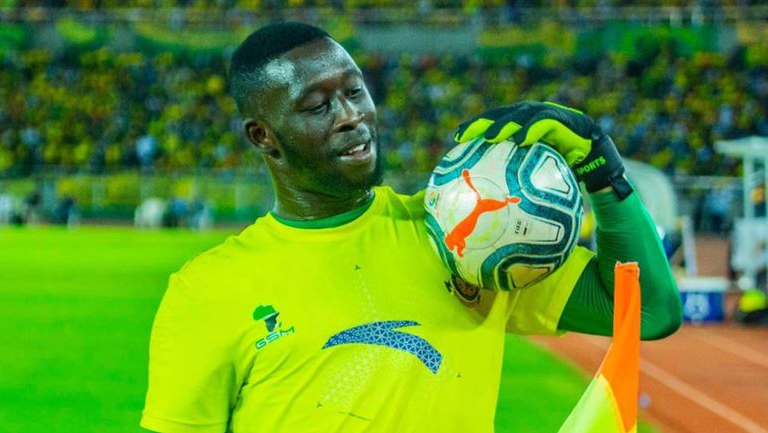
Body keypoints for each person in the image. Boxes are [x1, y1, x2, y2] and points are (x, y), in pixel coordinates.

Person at [141, 22, 682, 433]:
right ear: (263, 137)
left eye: (354, 91)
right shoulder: (208, 290)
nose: (350, 115)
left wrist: (602, 171)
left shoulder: (462, 233)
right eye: (318, 105)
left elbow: (650, 312)